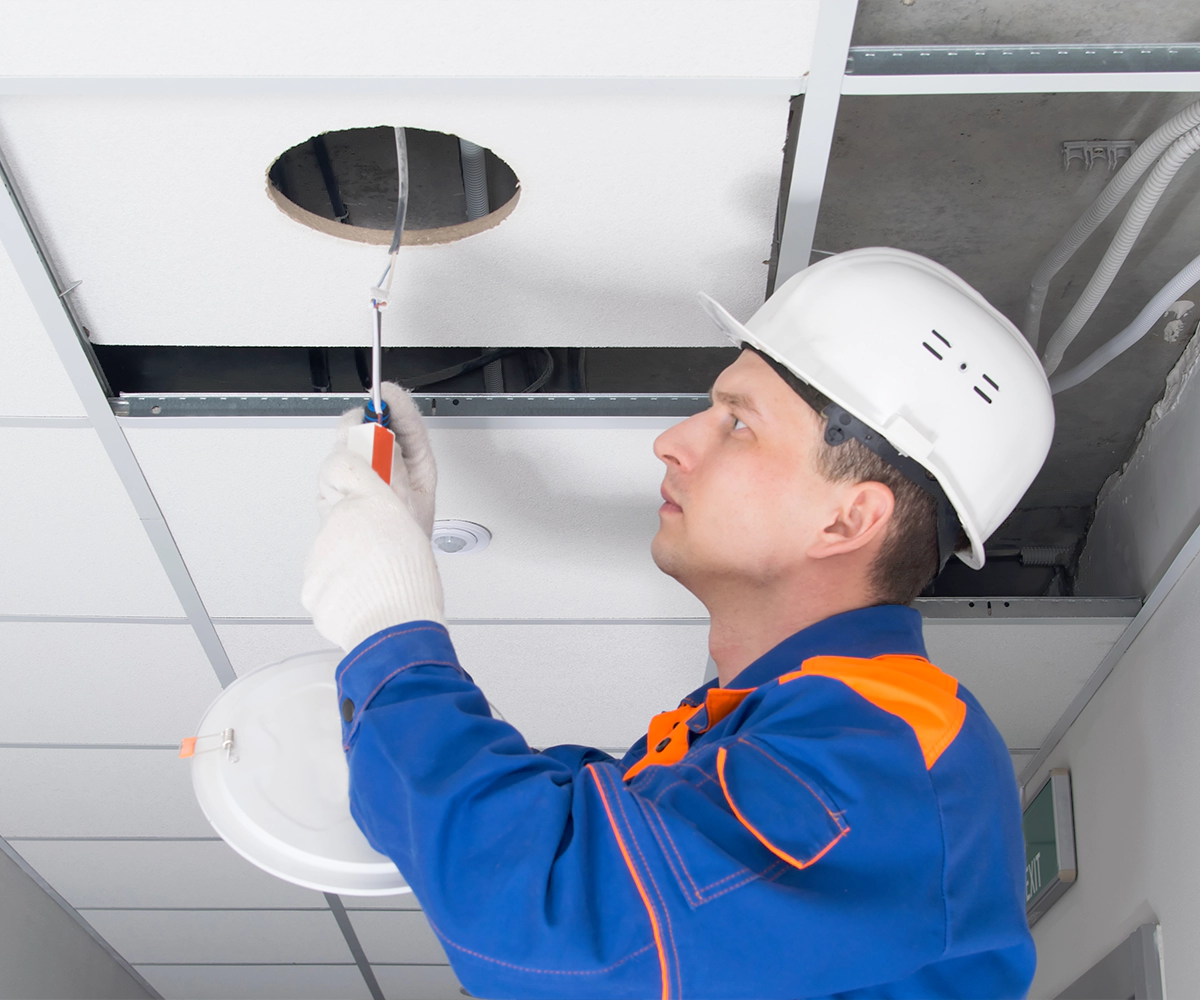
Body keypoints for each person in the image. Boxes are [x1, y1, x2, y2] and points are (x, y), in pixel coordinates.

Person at [301, 247, 1055, 999]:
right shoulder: (747, 728)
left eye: (736, 423)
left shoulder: (886, 759)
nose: (674, 441)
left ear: (848, 518)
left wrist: (391, 633)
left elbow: (562, 926)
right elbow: (565, 834)